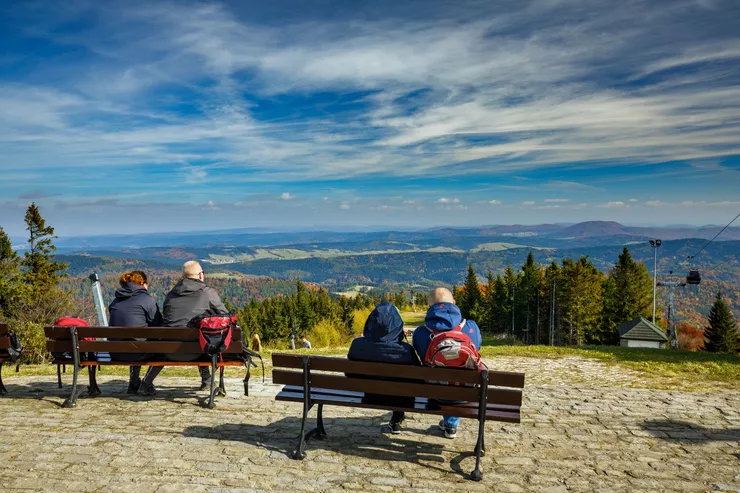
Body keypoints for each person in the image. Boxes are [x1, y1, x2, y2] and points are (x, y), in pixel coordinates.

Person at [138, 261, 228, 395]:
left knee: (193, 341)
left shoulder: (171, 295)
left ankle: (145, 383)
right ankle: (208, 380)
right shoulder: (207, 293)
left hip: (169, 350)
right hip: (198, 350)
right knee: (207, 340)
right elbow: (225, 316)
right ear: (200, 275)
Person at [412, 287, 482, 439]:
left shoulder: (420, 332)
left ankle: (450, 423)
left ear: (429, 308)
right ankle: (451, 424)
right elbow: (476, 349)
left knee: (440, 378)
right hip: (466, 393)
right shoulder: (471, 327)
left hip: (432, 392)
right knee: (457, 376)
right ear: (454, 303)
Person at [347, 302, 420, 433]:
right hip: (401, 399)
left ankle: (397, 417)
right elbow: (417, 380)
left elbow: (350, 374)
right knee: (401, 388)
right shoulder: (406, 351)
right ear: (397, 325)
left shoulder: (357, 345)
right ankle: (397, 417)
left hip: (370, 395)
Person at [108, 270, 163, 394]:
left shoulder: (115, 302)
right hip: (138, 352)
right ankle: (146, 383)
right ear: (142, 284)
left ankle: (134, 382)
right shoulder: (147, 300)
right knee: (164, 351)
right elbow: (158, 326)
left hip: (115, 353)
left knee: (135, 342)